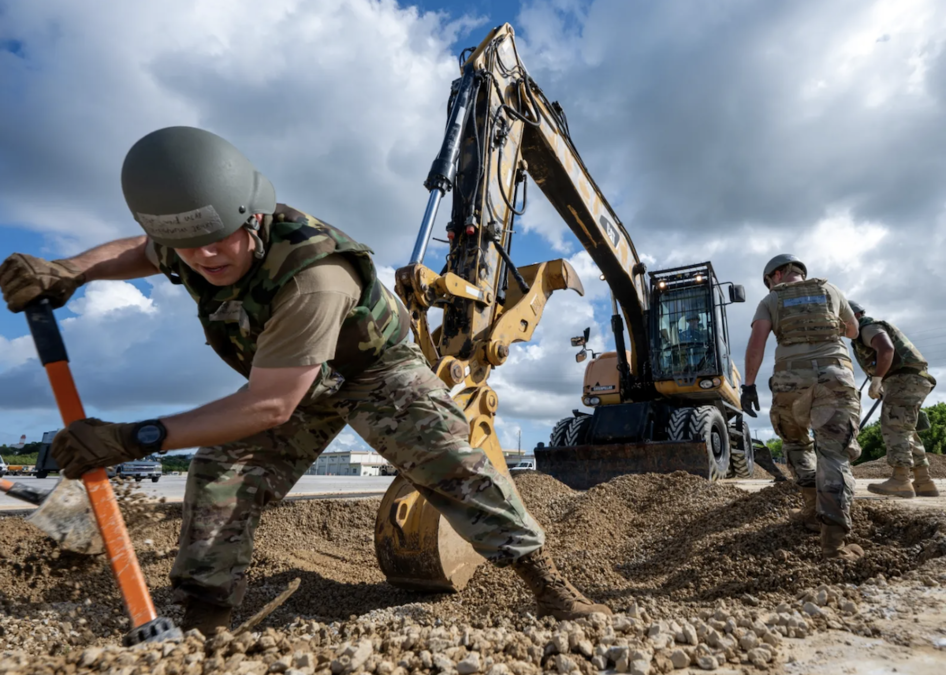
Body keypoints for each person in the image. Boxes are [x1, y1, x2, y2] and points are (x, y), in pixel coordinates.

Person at [0, 126, 611, 635]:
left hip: (373, 370)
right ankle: (205, 616)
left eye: (220, 242)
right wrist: (70, 270)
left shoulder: (313, 272)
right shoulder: (192, 237)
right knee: (223, 471)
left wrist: (138, 436)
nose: (207, 257)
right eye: (189, 248)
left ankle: (548, 584)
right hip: (295, 376)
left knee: (454, 463)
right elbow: (144, 248)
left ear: (253, 214)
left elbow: (268, 404)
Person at [740, 254, 864, 560]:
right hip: (835, 380)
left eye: (769, 280)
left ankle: (811, 510)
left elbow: (757, 342)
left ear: (778, 274)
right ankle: (833, 543)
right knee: (834, 456)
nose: (770, 284)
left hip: (790, 383)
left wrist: (749, 386)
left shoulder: (771, 299)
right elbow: (854, 330)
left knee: (796, 443)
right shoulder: (831, 291)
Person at [848, 300, 938, 498]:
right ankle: (923, 481)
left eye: (842, 320)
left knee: (894, 427)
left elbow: (886, 350)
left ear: (854, 315)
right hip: (912, 380)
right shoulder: (865, 332)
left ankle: (900, 480)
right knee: (906, 429)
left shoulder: (868, 328)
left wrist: (877, 380)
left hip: (903, 379)